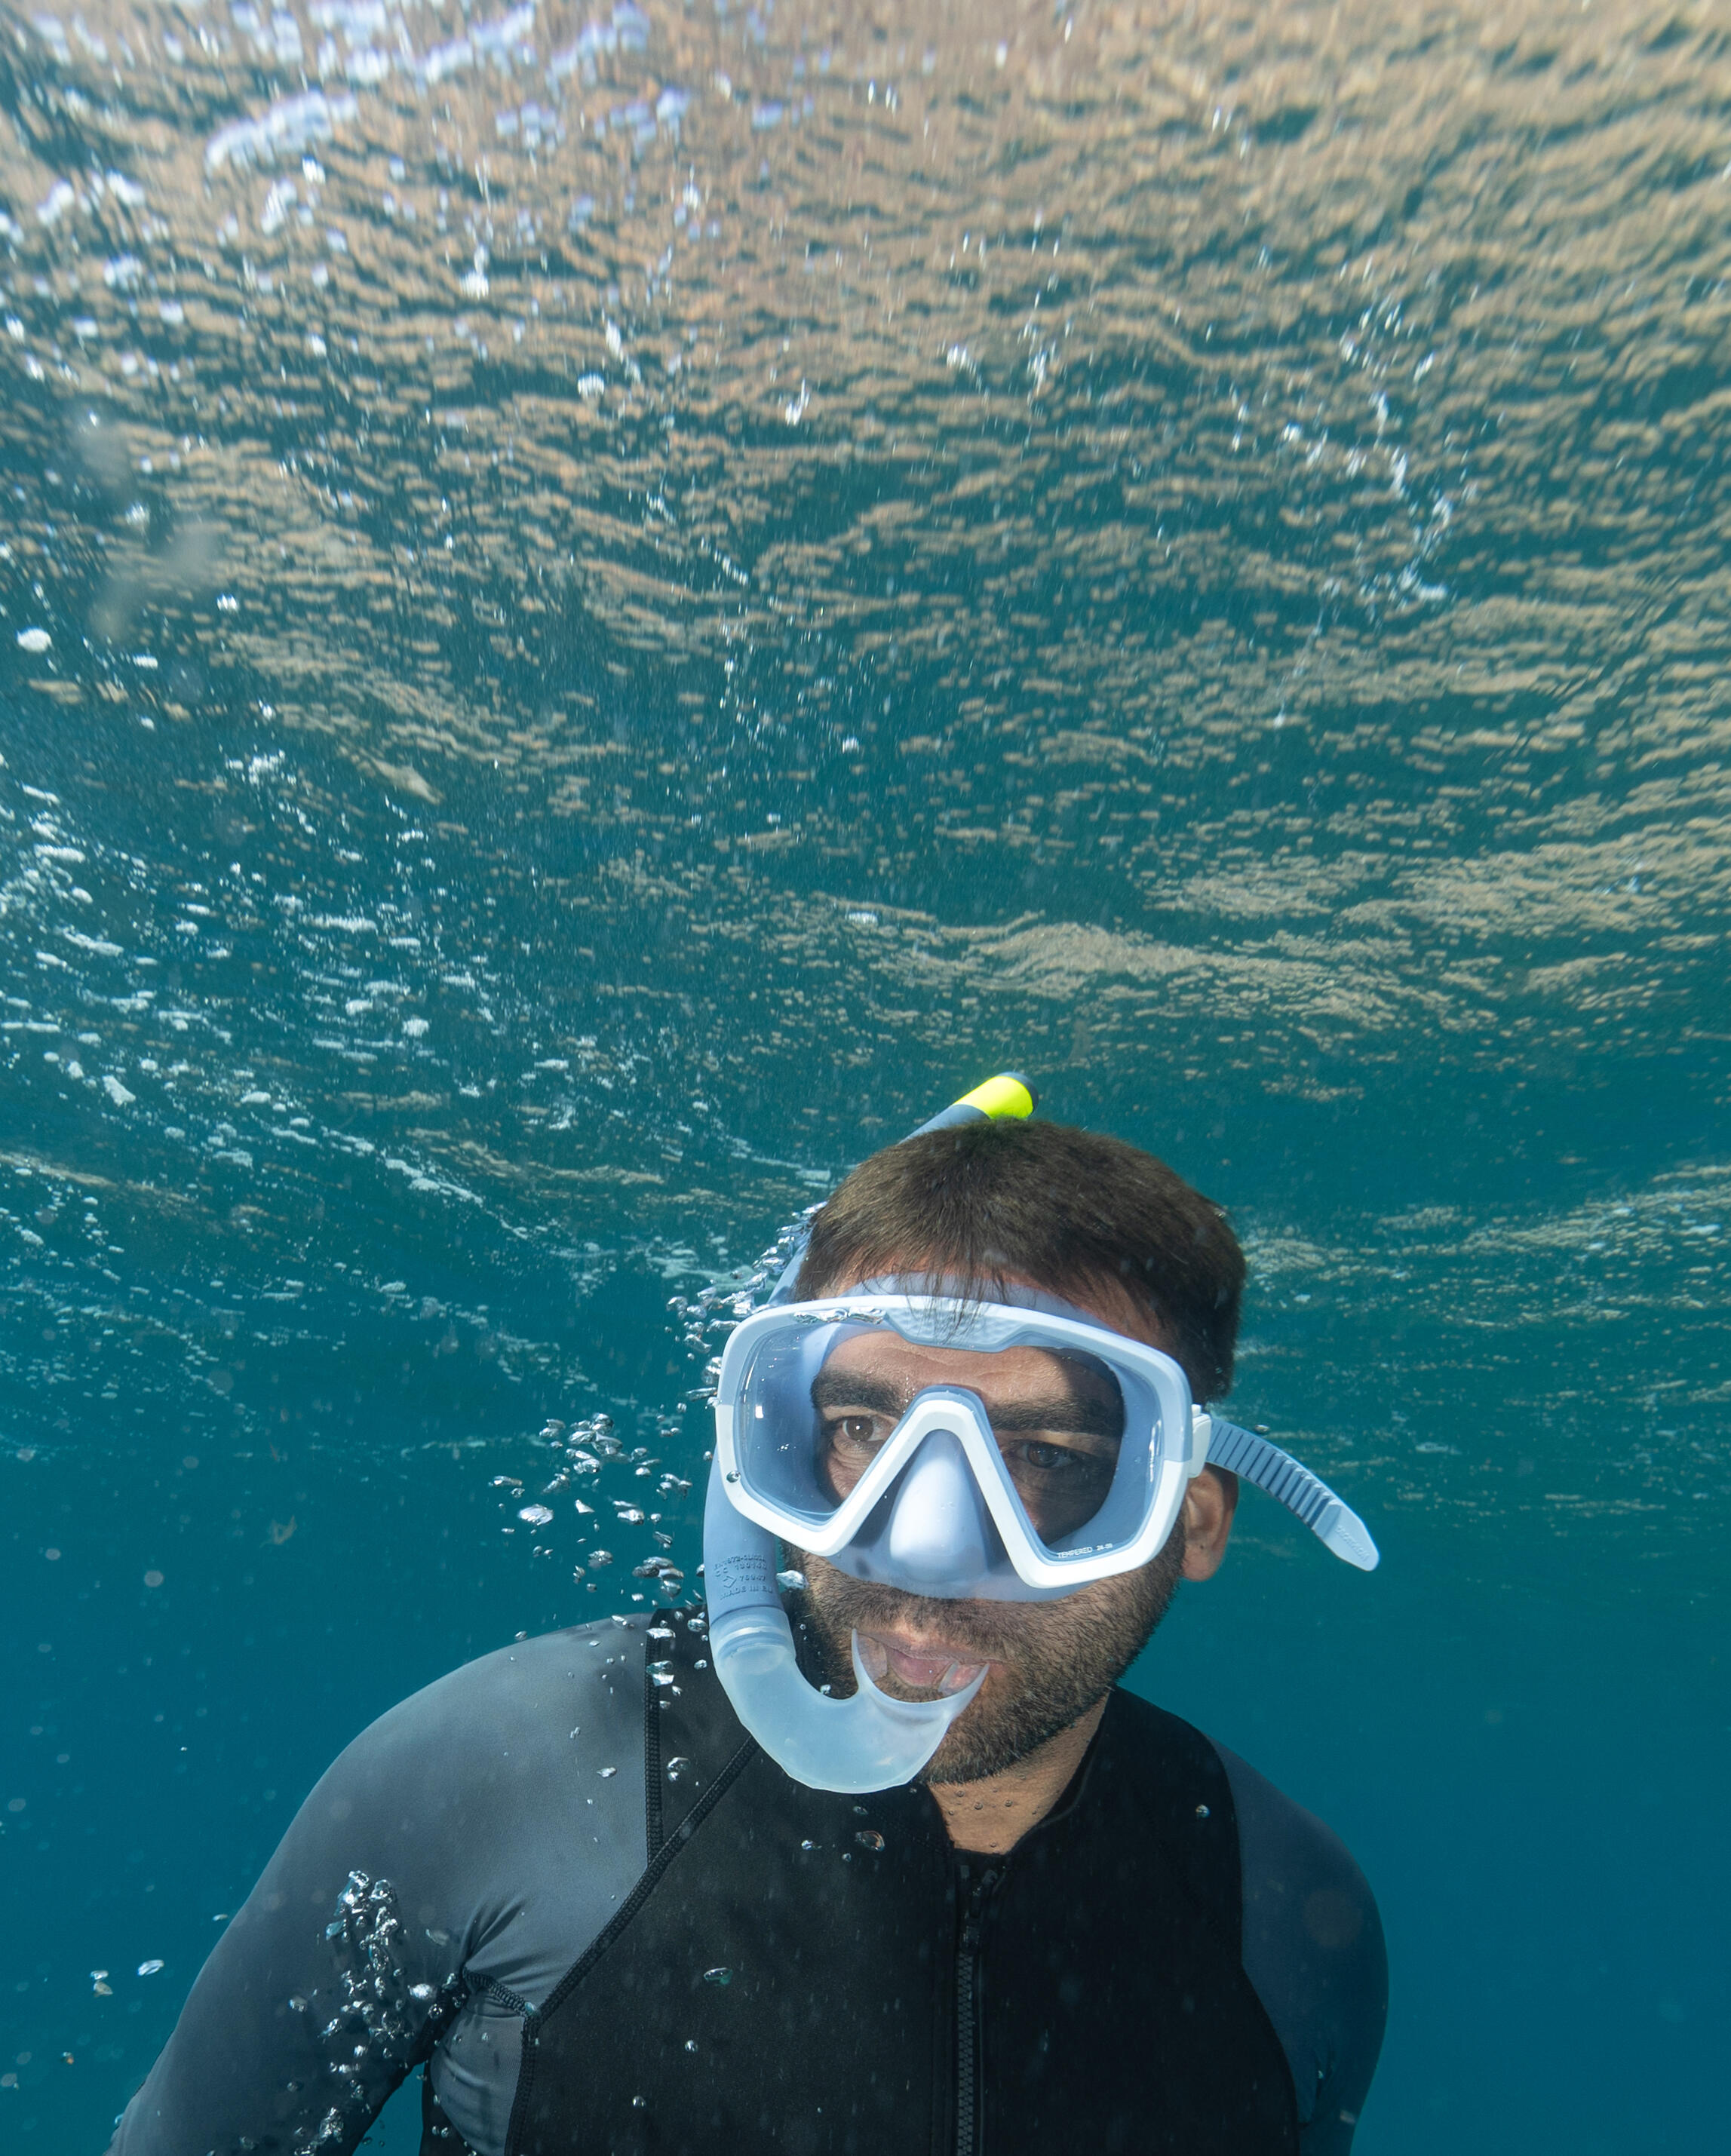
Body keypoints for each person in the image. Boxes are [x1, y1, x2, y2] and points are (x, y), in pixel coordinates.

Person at [109, 1111, 1386, 2156]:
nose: (922, 1555)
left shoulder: (1287, 1913)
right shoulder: (498, 1773)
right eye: (863, 1433)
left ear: (1193, 1517)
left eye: (1049, 1458)